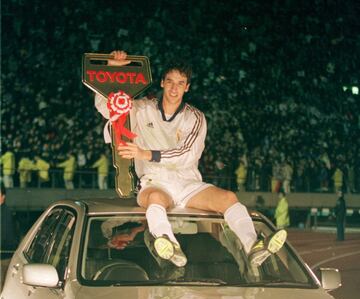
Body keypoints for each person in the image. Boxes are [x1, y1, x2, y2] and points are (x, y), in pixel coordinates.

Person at [95, 50, 287, 268]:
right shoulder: (142, 109)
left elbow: (187, 154)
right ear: (162, 83)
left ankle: (253, 246)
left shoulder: (195, 117)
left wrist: (146, 154)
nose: (174, 88)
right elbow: (108, 108)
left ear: (187, 87)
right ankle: (168, 243)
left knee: (228, 197)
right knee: (156, 199)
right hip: (153, 181)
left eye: (180, 83)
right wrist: (112, 68)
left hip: (187, 182)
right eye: (170, 81)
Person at [0, 184, 17, 290]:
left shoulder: (4, 213)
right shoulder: (5, 211)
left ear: (3, 196)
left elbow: (3, 235)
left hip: (3, 257)